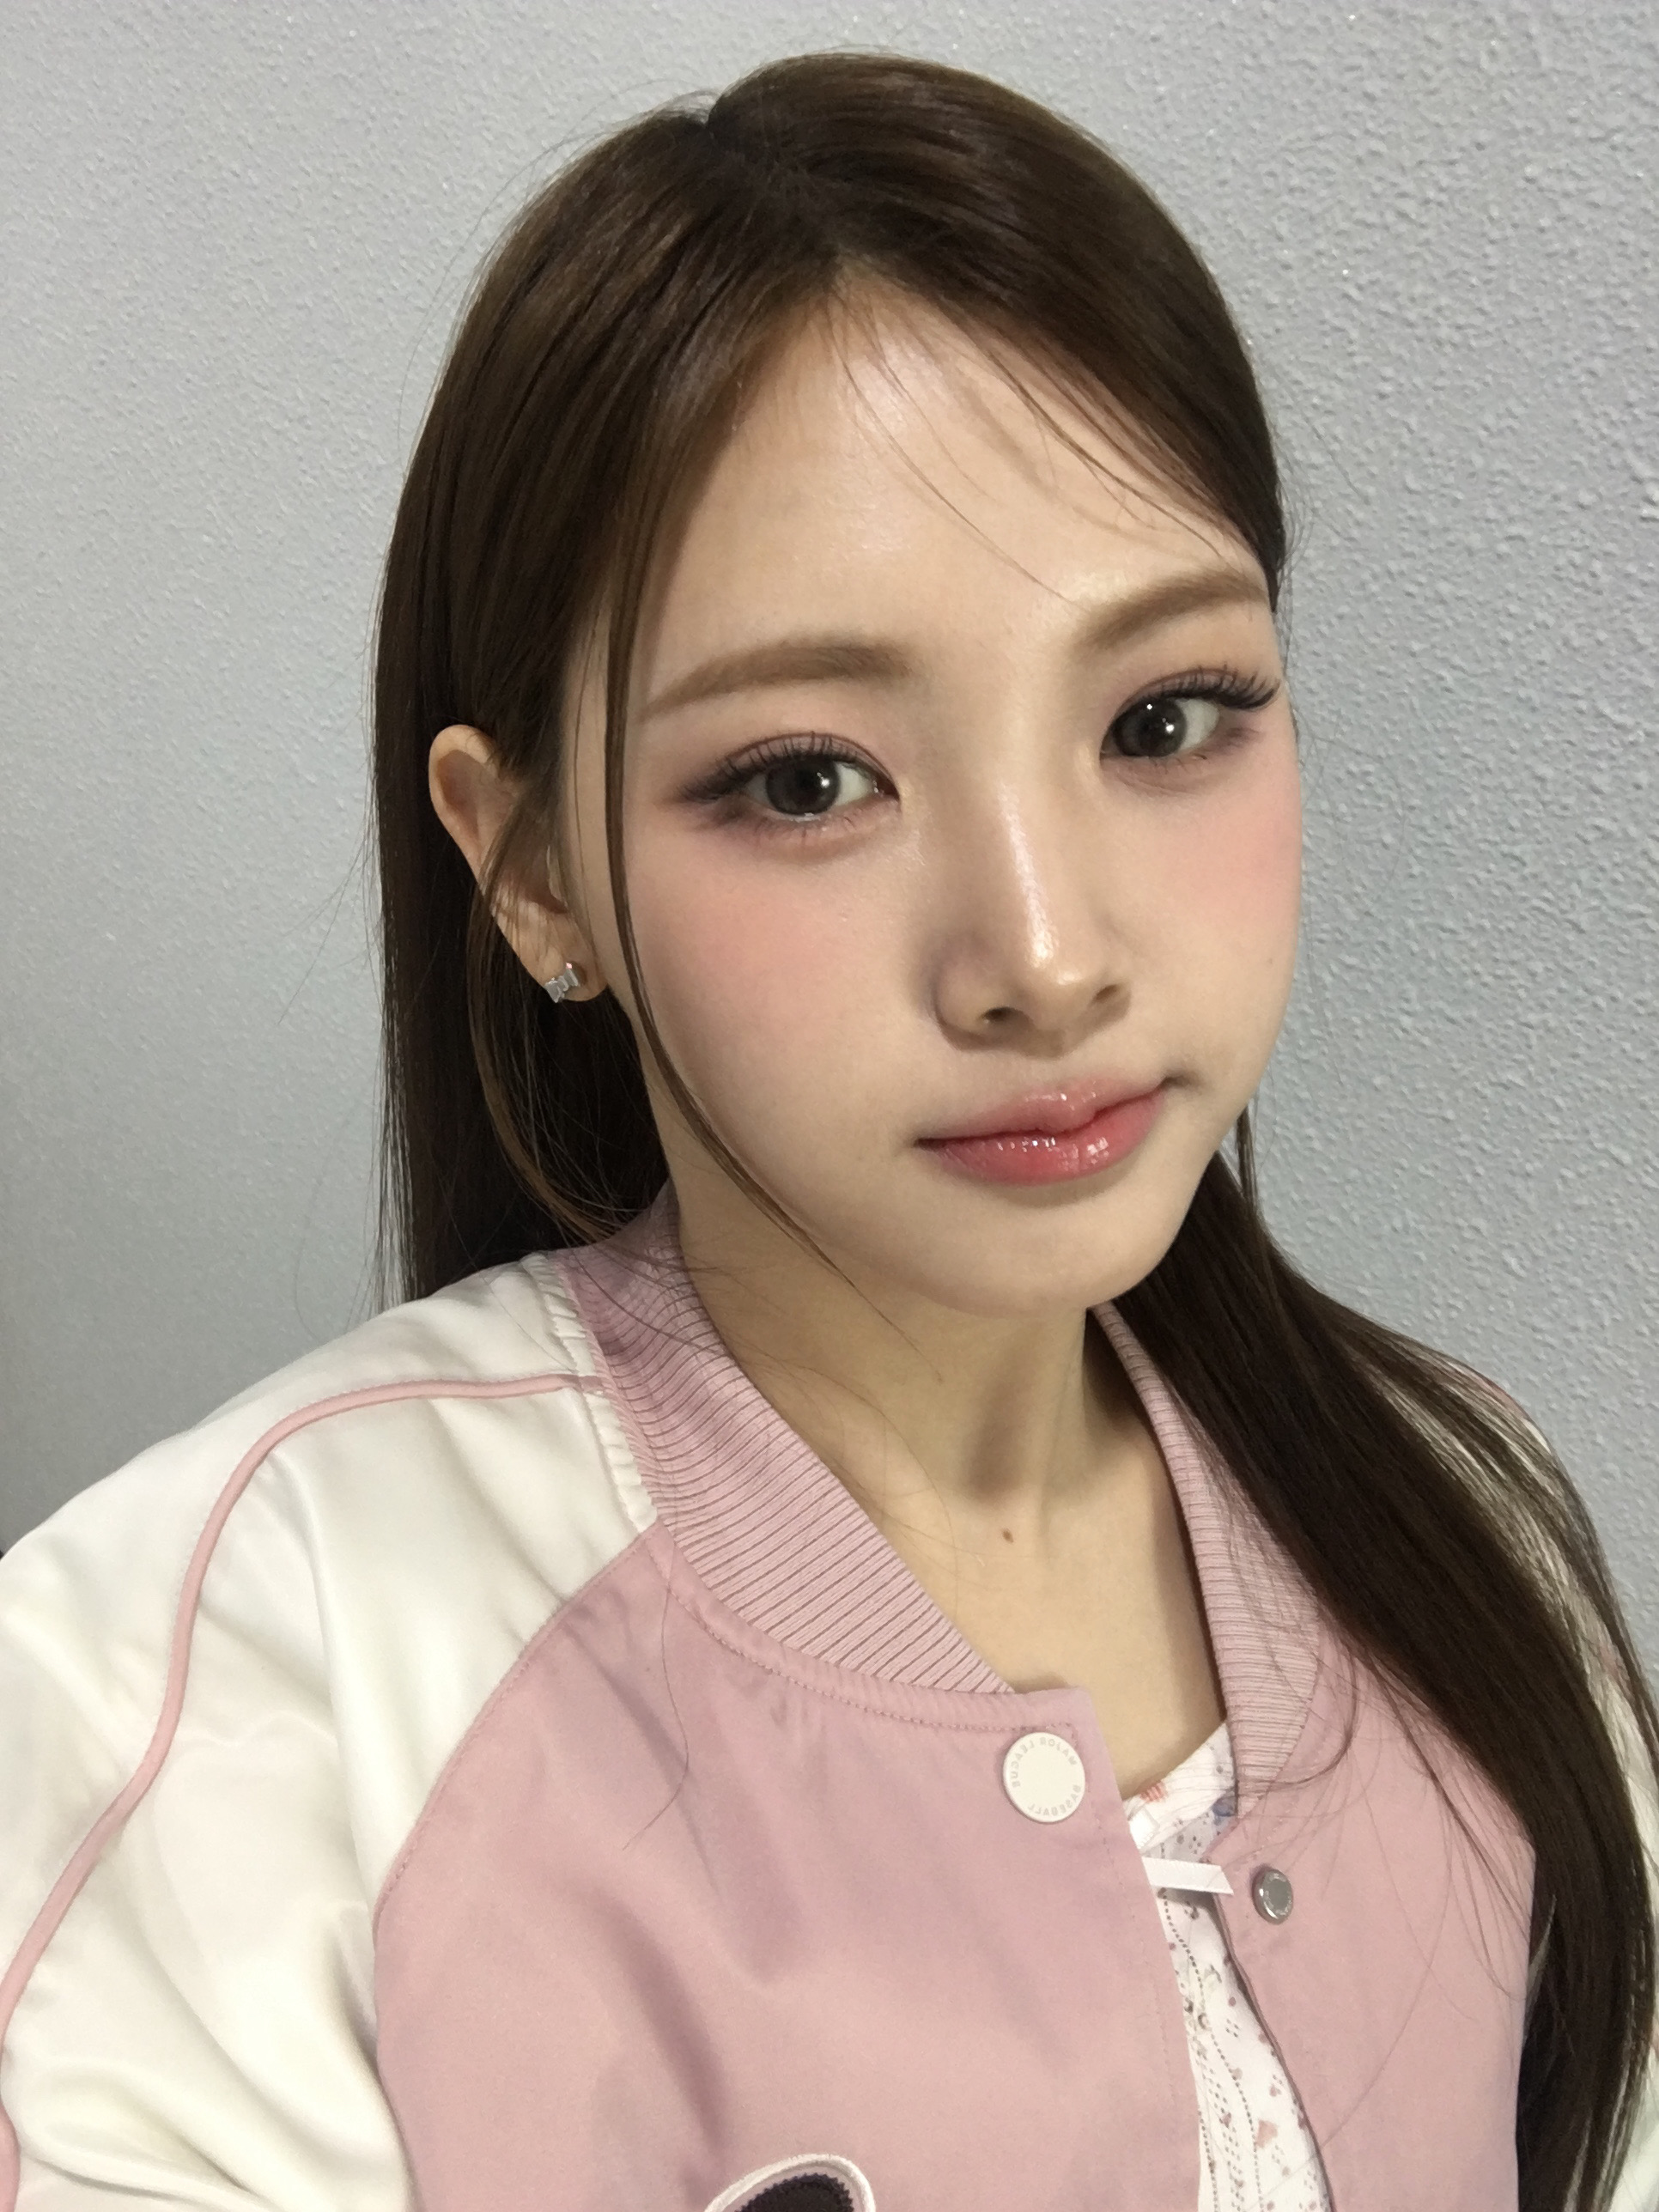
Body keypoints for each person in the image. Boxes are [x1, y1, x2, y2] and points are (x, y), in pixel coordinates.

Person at [0, 49, 1653, 2212]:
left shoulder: (1465, 1529)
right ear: (533, 870)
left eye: (1167, 717)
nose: (1043, 955)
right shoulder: (237, 1681)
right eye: (806, 780)